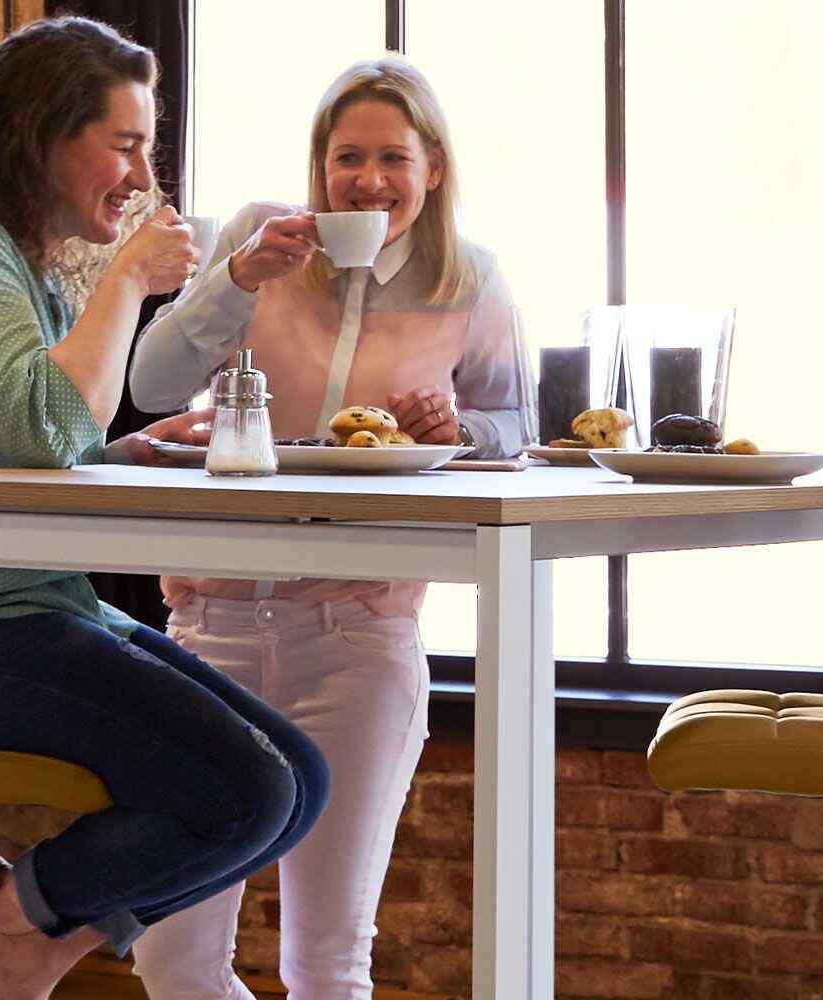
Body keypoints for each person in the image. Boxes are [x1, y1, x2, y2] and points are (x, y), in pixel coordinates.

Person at [0, 16, 329, 1000]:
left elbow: (28, 440)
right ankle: (20, 915)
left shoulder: (16, 262)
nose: (142, 176)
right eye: (125, 143)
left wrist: (125, 447)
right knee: (250, 788)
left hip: (5, 607)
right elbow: (41, 427)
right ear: (45, 136)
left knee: (298, 779)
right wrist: (131, 276)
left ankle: (22, 930)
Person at [124, 58, 533, 999]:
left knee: (328, 958)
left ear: (433, 167)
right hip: (207, 633)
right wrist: (236, 278)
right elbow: (146, 386)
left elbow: (514, 428)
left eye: (394, 157)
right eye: (348, 157)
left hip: (357, 638)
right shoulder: (261, 242)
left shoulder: (471, 281)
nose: (370, 180)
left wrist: (456, 430)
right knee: (171, 956)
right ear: (321, 167)